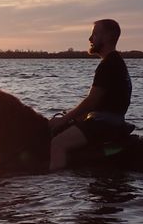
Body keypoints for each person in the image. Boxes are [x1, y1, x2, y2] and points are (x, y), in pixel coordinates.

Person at [48, 19, 132, 171]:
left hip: (103, 125)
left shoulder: (108, 65)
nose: (90, 39)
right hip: (114, 122)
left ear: (107, 37)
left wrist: (63, 120)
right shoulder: (117, 62)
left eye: (95, 34)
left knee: (57, 144)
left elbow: (92, 101)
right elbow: (103, 102)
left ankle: (56, 189)